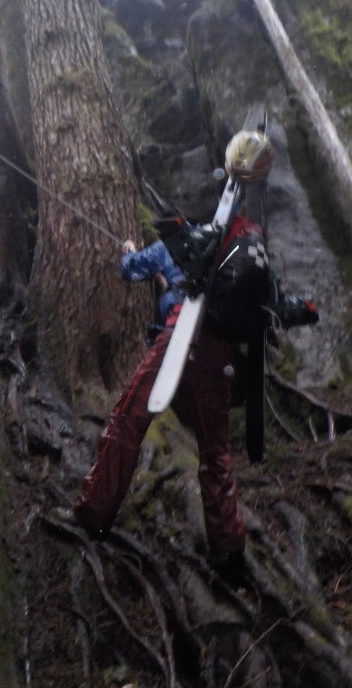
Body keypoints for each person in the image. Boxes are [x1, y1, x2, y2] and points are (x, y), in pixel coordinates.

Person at [68, 129, 318, 571]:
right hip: (219, 357)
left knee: (128, 422)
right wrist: (308, 309)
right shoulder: (252, 251)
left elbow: (129, 267)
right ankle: (227, 546)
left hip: (175, 341)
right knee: (215, 452)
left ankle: (94, 514)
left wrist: (128, 251)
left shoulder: (181, 245)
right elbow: (276, 308)